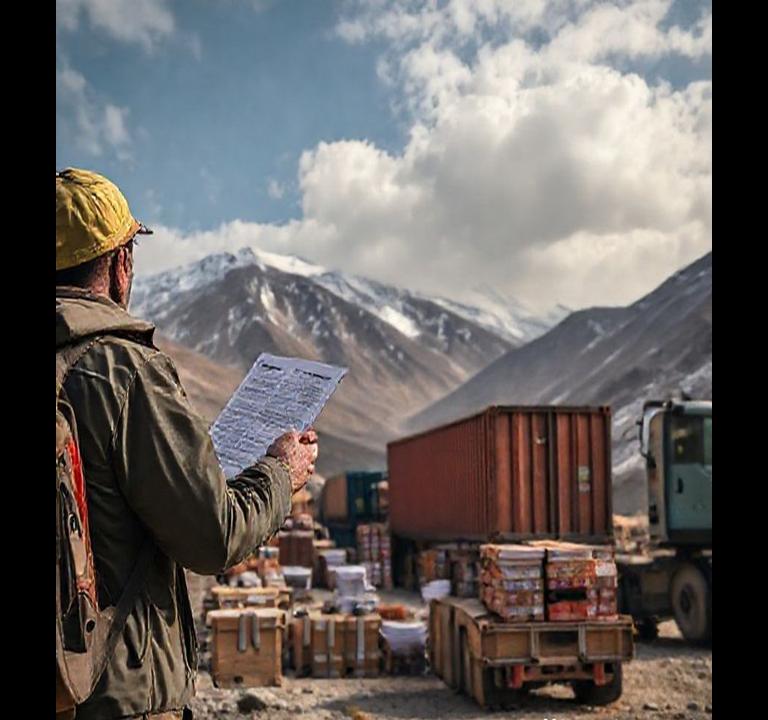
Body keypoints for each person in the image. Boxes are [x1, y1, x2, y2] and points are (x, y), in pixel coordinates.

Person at [55, 168, 318, 719]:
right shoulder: (122, 371)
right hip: (112, 698)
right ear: (121, 261)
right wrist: (280, 471)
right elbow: (213, 536)